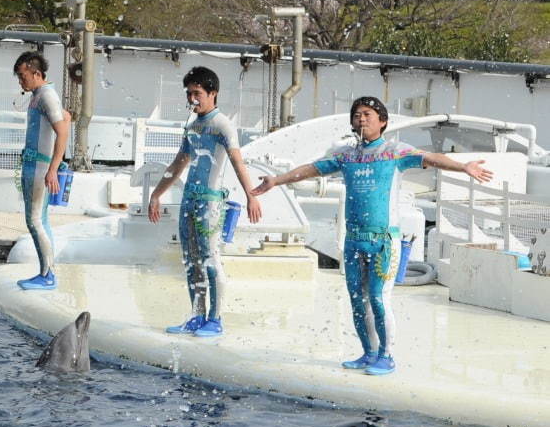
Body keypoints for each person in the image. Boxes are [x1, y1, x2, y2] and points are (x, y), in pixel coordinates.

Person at [254, 96, 493, 376]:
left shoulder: (394, 152)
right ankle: (368, 353)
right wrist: (276, 180)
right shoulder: (347, 155)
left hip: (383, 240)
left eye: (367, 114)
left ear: (383, 122)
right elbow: (311, 169)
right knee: (357, 299)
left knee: (378, 298)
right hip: (354, 239)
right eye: (357, 114)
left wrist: (463, 167)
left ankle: (387, 355)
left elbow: (431, 158)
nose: (361, 119)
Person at [147, 66, 263, 338]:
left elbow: (236, 161)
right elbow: (178, 163)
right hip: (189, 199)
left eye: (197, 93)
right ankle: (197, 315)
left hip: (210, 202)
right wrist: (157, 193)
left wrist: (250, 195)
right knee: (190, 259)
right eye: (189, 94)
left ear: (213, 93)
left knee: (211, 258)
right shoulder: (193, 125)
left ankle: (216, 318)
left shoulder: (222, 124)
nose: (192, 99)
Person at [13, 50, 72, 290]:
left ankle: (47, 274)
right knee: (39, 220)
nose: (21, 81)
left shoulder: (47, 95)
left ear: (36, 73)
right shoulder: (39, 95)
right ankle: (45, 272)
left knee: (35, 220)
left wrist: (53, 169)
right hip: (32, 165)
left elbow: (63, 132)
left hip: (40, 168)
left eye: (23, 75)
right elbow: (66, 118)